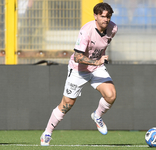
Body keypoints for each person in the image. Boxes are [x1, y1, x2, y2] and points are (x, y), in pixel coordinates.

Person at [40, 2, 118, 146]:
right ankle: (47, 133)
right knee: (66, 105)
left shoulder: (113, 28)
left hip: (96, 67)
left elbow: (103, 45)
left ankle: (97, 116)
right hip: (78, 70)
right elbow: (77, 57)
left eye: (108, 16)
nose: (106, 20)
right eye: (102, 16)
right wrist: (97, 61)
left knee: (111, 95)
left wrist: (99, 61)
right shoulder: (86, 31)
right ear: (95, 16)